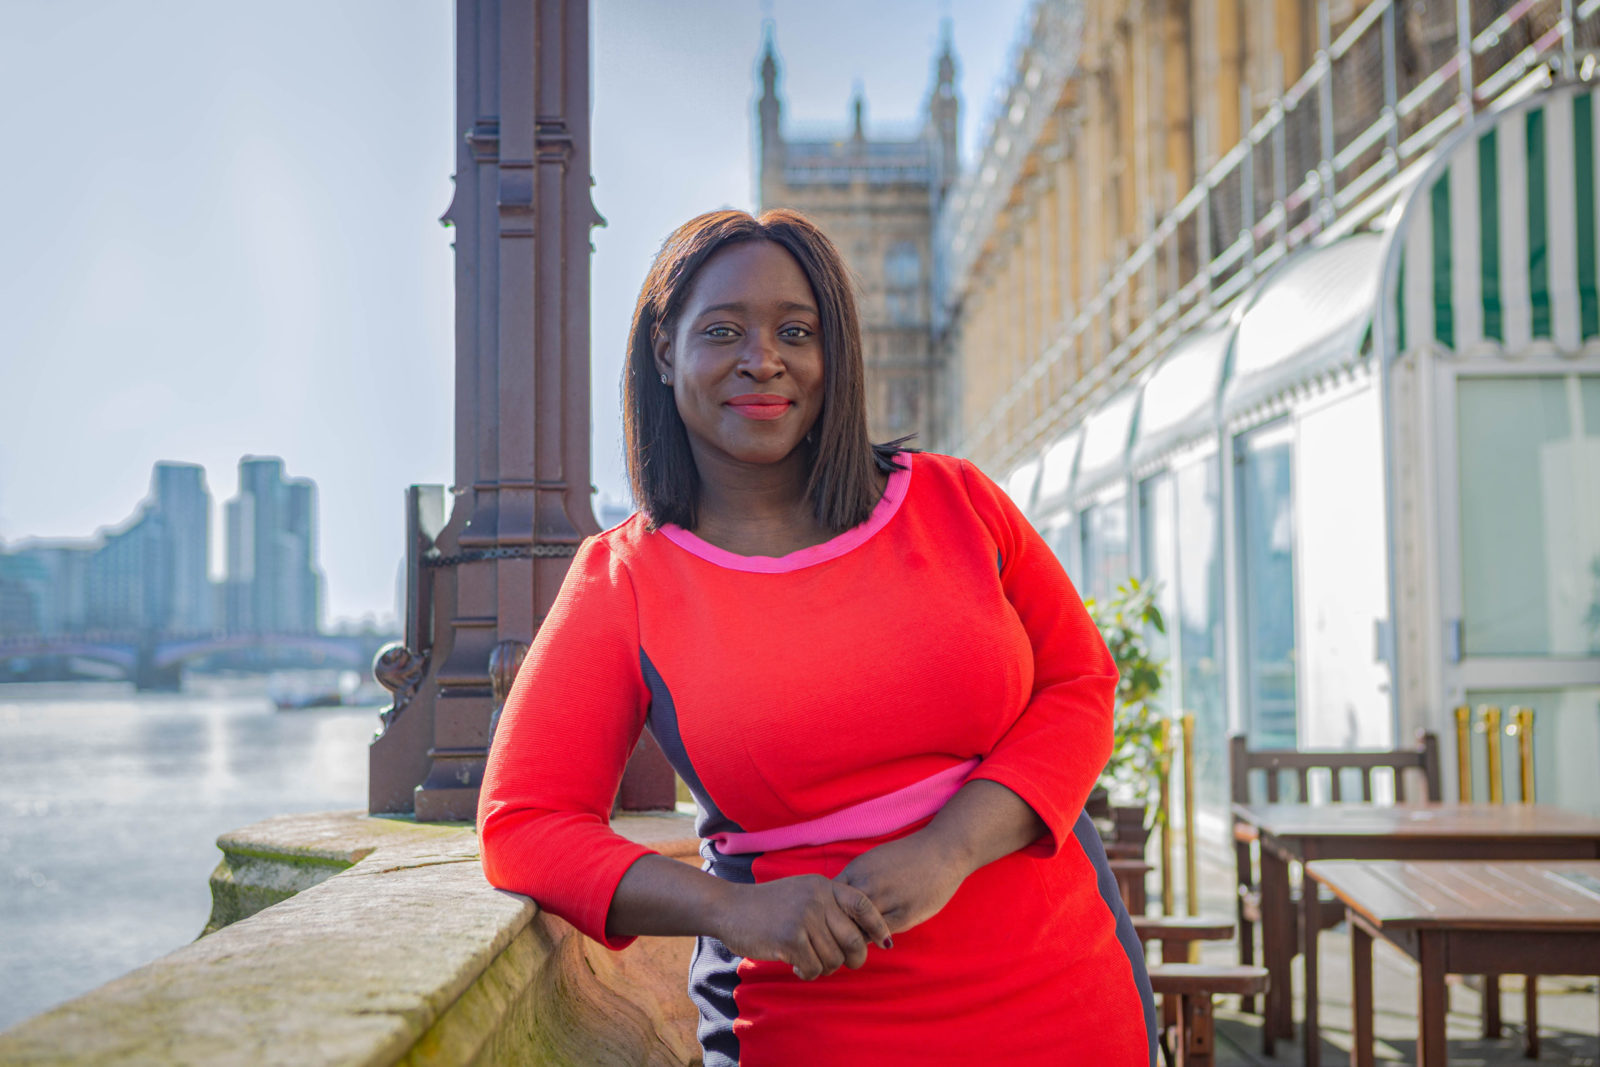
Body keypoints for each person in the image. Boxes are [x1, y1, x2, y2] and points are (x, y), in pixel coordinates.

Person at [478, 208, 1156, 1066]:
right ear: (663, 352)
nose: (764, 359)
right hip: (807, 1027)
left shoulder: (957, 501)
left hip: (1064, 999)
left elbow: (1080, 684)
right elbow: (524, 822)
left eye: (796, 331)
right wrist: (735, 912)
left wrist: (949, 850)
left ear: (833, 354)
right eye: (723, 330)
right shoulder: (623, 580)